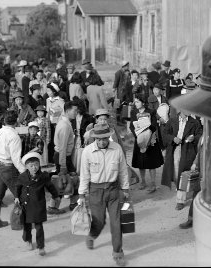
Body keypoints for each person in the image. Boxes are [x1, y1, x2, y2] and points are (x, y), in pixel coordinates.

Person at [78, 123, 129, 267]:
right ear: (95, 138)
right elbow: (84, 175)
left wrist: (125, 189)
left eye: (104, 138)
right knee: (99, 221)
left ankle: (118, 253)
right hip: (96, 191)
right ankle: (92, 235)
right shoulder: (87, 151)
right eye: (99, 139)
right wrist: (82, 194)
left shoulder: (117, 149)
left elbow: (123, 171)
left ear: (109, 136)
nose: (102, 142)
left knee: (116, 222)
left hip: (113, 190)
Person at [14, 152, 60, 256]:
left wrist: (55, 196)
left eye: (36, 165)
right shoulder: (22, 177)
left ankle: (41, 246)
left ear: (39, 165)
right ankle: (28, 241)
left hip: (38, 205)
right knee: (27, 226)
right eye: (31, 165)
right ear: (26, 166)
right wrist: (16, 197)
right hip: (25, 205)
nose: (34, 167)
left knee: (39, 226)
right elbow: (17, 187)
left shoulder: (43, 176)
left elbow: (50, 187)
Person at [160, 109, 202, 210]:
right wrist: (173, 138)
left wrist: (194, 138)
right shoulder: (172, 120)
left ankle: (180, 200)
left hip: (187, 150)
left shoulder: (195, 122)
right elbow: (165, 134)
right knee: (174, 174)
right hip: (174, 149)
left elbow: (200, 134)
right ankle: (180, 187)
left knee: (182, 173)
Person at [49, 101, 79, 213]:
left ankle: (73, 203)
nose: (76, 112)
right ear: (67, 111)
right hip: (62, 157)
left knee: (73, 179)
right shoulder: (64, 126)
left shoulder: (65, 123)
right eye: (74, 110)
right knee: (61, 182)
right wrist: (62, 165)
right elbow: (62, 147)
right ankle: (53, 207)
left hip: (64, 157)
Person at [130, 94, 164, 193]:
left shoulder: (151, 112)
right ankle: (143, 181)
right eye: (135, 102)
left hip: (150, 139)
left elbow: (154, 126)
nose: (135, 104)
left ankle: (153, 183)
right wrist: (137, 135)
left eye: (137, 101)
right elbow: (132, 126)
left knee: (151, 163)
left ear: (143, 102)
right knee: (141, 162)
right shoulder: (133, 112)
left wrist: (147, 130)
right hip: (139, 139)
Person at [179, 133, 203, 229]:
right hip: (200, 171)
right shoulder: (203, 136)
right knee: (196, 195)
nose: (201, 119)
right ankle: (191, 219)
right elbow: (199, 152)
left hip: (209, 172)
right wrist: (195, 163)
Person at [46, 83, 65, 164]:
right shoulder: (48, 100)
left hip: (57, 124)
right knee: (49, 140)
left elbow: (64, 112)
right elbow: (48, 111)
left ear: (54, 91)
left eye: (49, 90)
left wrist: (58, 119)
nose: (47, 92)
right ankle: (50, 159)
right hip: (49, 123)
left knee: (56, 141)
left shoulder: (60, 101)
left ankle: (57, 159)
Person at [147, 83, 169, 150]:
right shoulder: (151, 98)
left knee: (164, 133)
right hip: (155, 119)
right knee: (156, 134)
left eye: (158, 90)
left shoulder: (164, 98)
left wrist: (166, 117)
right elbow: (152, 110)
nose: (156, 91)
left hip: (165, 119)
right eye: (155, 89)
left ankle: (164, 147)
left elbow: (167, 108)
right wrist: (159, 118)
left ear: (161, 91)